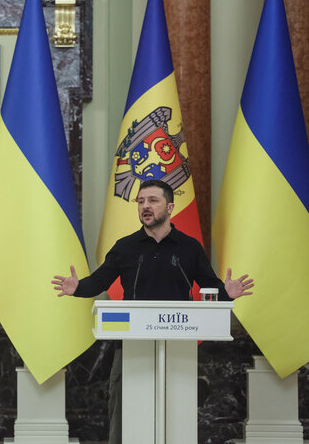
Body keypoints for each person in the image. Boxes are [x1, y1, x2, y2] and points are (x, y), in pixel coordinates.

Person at [51, 179, 254, 444]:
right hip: (131, 344)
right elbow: (98, 282)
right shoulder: (125, 247)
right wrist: (77, 287)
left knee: (176, 412)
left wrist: (228, 292)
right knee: (123, 412)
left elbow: (210, 287)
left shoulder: (189, 247)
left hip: (178, 345)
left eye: (152, 201)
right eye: (140, 201)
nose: (145, 206)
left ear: (170, 207)